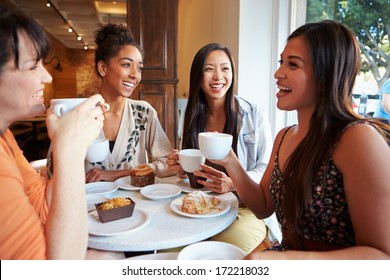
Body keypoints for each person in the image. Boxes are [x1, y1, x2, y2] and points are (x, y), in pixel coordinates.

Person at [200, 20, 390, 259]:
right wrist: (230, 160)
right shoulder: (284, 137)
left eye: (293, 64)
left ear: (326, 73)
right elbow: (262, 206)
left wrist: (286, 260)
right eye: (281, 62)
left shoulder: (357, 138)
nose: (278, 73)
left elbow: (382, 256)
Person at [0, 4, 109, 259]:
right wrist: (70, 150)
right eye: (33, 66)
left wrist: (66, 142)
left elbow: (43, 207)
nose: (47, 77)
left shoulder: (5, 137)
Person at [166, 43, 281, 254]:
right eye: (209, 69)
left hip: (246, 209)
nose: (218, 76)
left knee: (216, 255)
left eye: (225, 68)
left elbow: (266, 170)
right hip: (203, 203)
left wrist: (234, 184)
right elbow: (195, 172)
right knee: (170, 251)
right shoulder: (192, 116)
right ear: (197, 76)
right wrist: (182, 167)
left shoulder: (254, 115)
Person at [47, 23, 174, 182]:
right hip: (88, 204)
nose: (135, 75)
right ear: (102, 68)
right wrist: (63, 138)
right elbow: (53, 173)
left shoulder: (144, 114)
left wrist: (118, 174)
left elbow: (169, 164)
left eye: (139, 68)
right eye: (126, 65)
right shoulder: (78, 113)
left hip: (137, 204)